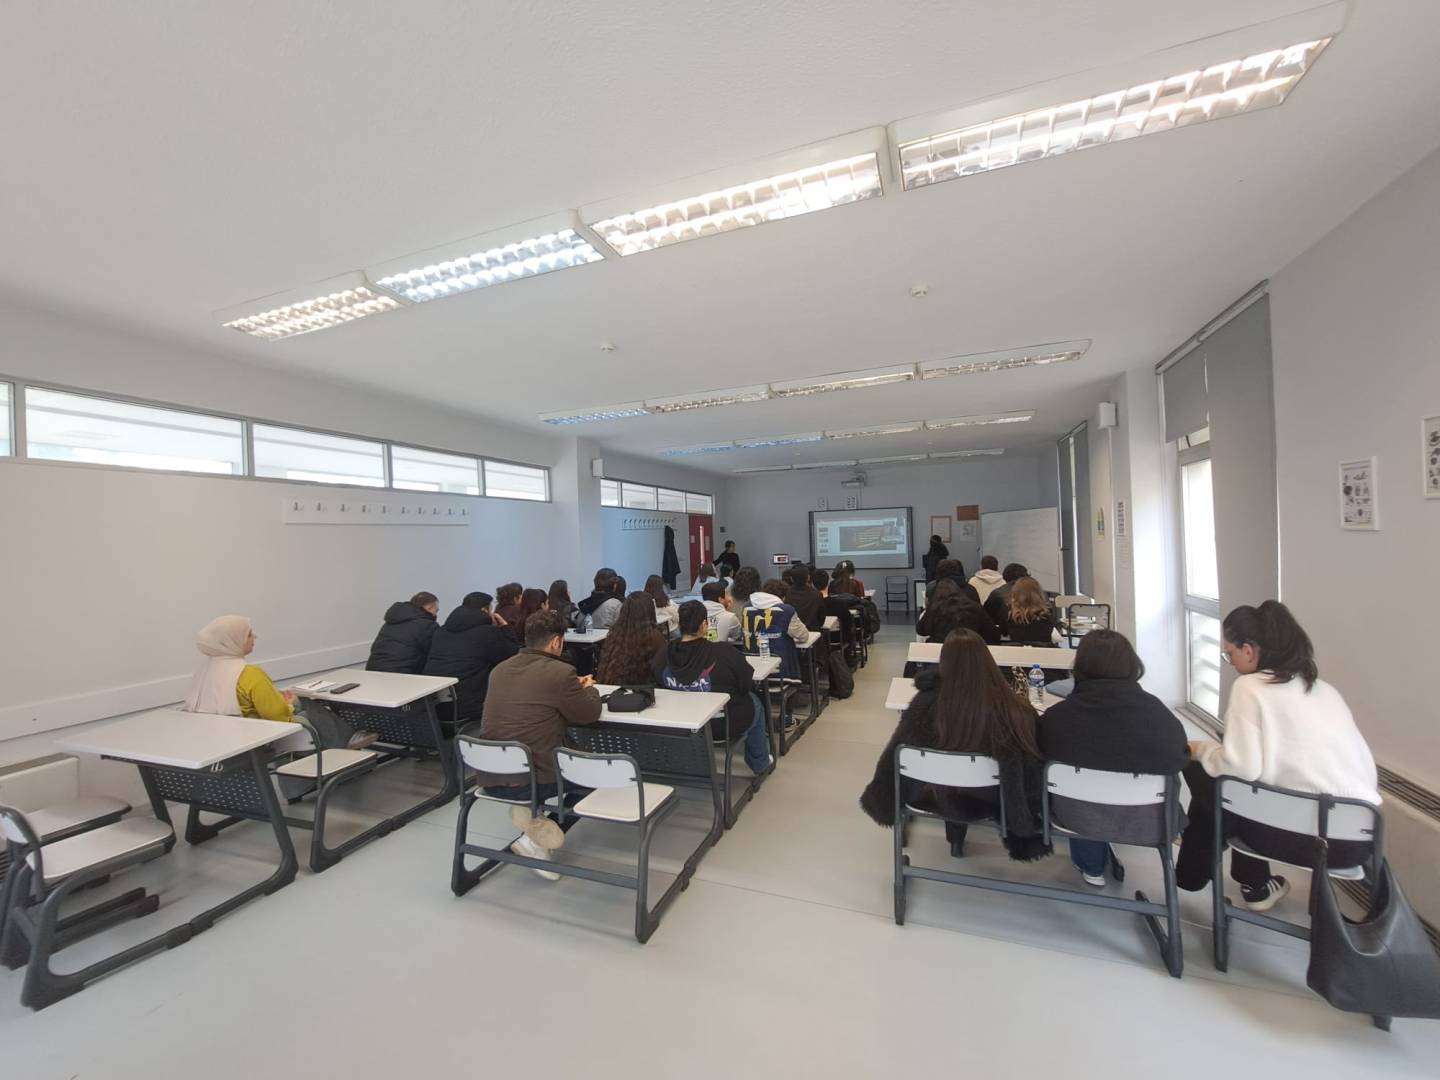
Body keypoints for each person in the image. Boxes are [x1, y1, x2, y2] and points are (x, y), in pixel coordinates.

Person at [1176, 601, 1380, 911]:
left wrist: (1202, 749)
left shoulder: (1250, 687)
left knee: (1208, 774)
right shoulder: (1325, 690)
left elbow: (1240, 768)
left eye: (1229, 653)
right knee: (1236, 786)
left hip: (1291, 837)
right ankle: (1249, 882)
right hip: (1354, 843)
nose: (1230, 661)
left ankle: (1193, 866)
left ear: (1248, 650)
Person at [860, 629, 1047, 860]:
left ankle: (953, 835)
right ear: (987, 660)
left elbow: (896, 754)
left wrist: (883, 799)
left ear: (943, 662)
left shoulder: (926, 705)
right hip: (992, 798)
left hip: (938, 794)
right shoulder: (1014, 708)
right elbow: (1031, 766)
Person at [1037, 630, 1189, 887]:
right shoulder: (1158, 716)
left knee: (1082, 789)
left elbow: (1039, 755)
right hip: (1149, 820)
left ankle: (1091, 866)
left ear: (1080, 666)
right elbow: (1178, 758)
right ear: (1132, 665)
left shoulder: (1056, 718)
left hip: (1073, 818)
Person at [476, 609, 602, 879]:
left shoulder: (499, 670)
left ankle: (531, 817)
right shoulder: (561, 673)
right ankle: (536, 840)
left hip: (490, 775)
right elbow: (589, 714)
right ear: (556, 642)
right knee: (592, 778)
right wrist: (589, 688)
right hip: (530, 779)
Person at [184, 615, 362, 748]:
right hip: (256, 735)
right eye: (249, 634)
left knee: (300, 703)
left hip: (217, 738)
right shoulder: (249, 674)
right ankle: (346, 742)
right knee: (306, 704)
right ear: (233, 641)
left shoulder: (202, 673)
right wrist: (289, 705)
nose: (255, 636)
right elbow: (277, 716)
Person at [653, 601, 771, 776]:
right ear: (703, 625)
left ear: (680, 624)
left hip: (681, 723)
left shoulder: (664, 653)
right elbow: (746, 683)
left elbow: (658, 682)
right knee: (755, 702)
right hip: (723, 725)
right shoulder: (724, 652)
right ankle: (760, 764)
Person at [423, 592, 519, 725]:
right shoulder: (487, 632)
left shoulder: (441, 631)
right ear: (485, 610)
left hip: (435, 708)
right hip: (470, 708)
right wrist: (505, 627)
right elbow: (512, 655)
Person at [740, 577, 810, 680]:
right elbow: (803, 636)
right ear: (783, 597)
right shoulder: (786, 611)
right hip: (780, 671)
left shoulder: (746, 607)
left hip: (750, 669)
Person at [595, 593, 667, 686]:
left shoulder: (614, 635)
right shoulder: (655, 638)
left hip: (613, 686)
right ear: (650, 611)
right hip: (642, 688)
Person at [366, 591, 439, 673]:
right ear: (429, 608)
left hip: (372, 671)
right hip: (401, 674)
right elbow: (435, 653)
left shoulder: (390, 622)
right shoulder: (428, 625)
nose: (435, 614)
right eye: (436, 610)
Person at [916, 580, 1001, 645]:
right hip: (971, 651)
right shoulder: (975, 608)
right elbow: (993, 634)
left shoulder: (934, 609)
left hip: (941, 653)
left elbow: (921, 630)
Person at [1003, 577, 1060, 645]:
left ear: (1015, 594)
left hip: (1018, 650)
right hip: (1043, 650)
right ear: (1039, 593)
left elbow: (1004, 632)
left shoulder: (1010, 615)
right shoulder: (1047, 613)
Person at [783, 564, 824, 631]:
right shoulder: (817, 594)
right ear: (808, 577)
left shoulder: (786, 594)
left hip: (792, 632)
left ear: (791, 579)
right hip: (813, 632)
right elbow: (821, 618)